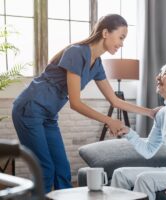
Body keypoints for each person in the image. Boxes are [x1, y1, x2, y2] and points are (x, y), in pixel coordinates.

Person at [12, 14, 155, 193]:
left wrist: (150, 112)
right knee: (45, 169)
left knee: (62, 169)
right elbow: (75, 103)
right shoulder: (77, 52)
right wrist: (109, 120)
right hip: (29, 109)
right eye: (121, 37)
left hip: (48, 115)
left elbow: (115, 100)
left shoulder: (97, 64)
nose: (121, 43)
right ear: (105, 33)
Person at [111, 62, 166, 200]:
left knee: (145, 179)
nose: (158, 77)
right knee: (120, 174)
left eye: (165, 73)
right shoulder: (162, 113)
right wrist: (129, 133)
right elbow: (149, 150)